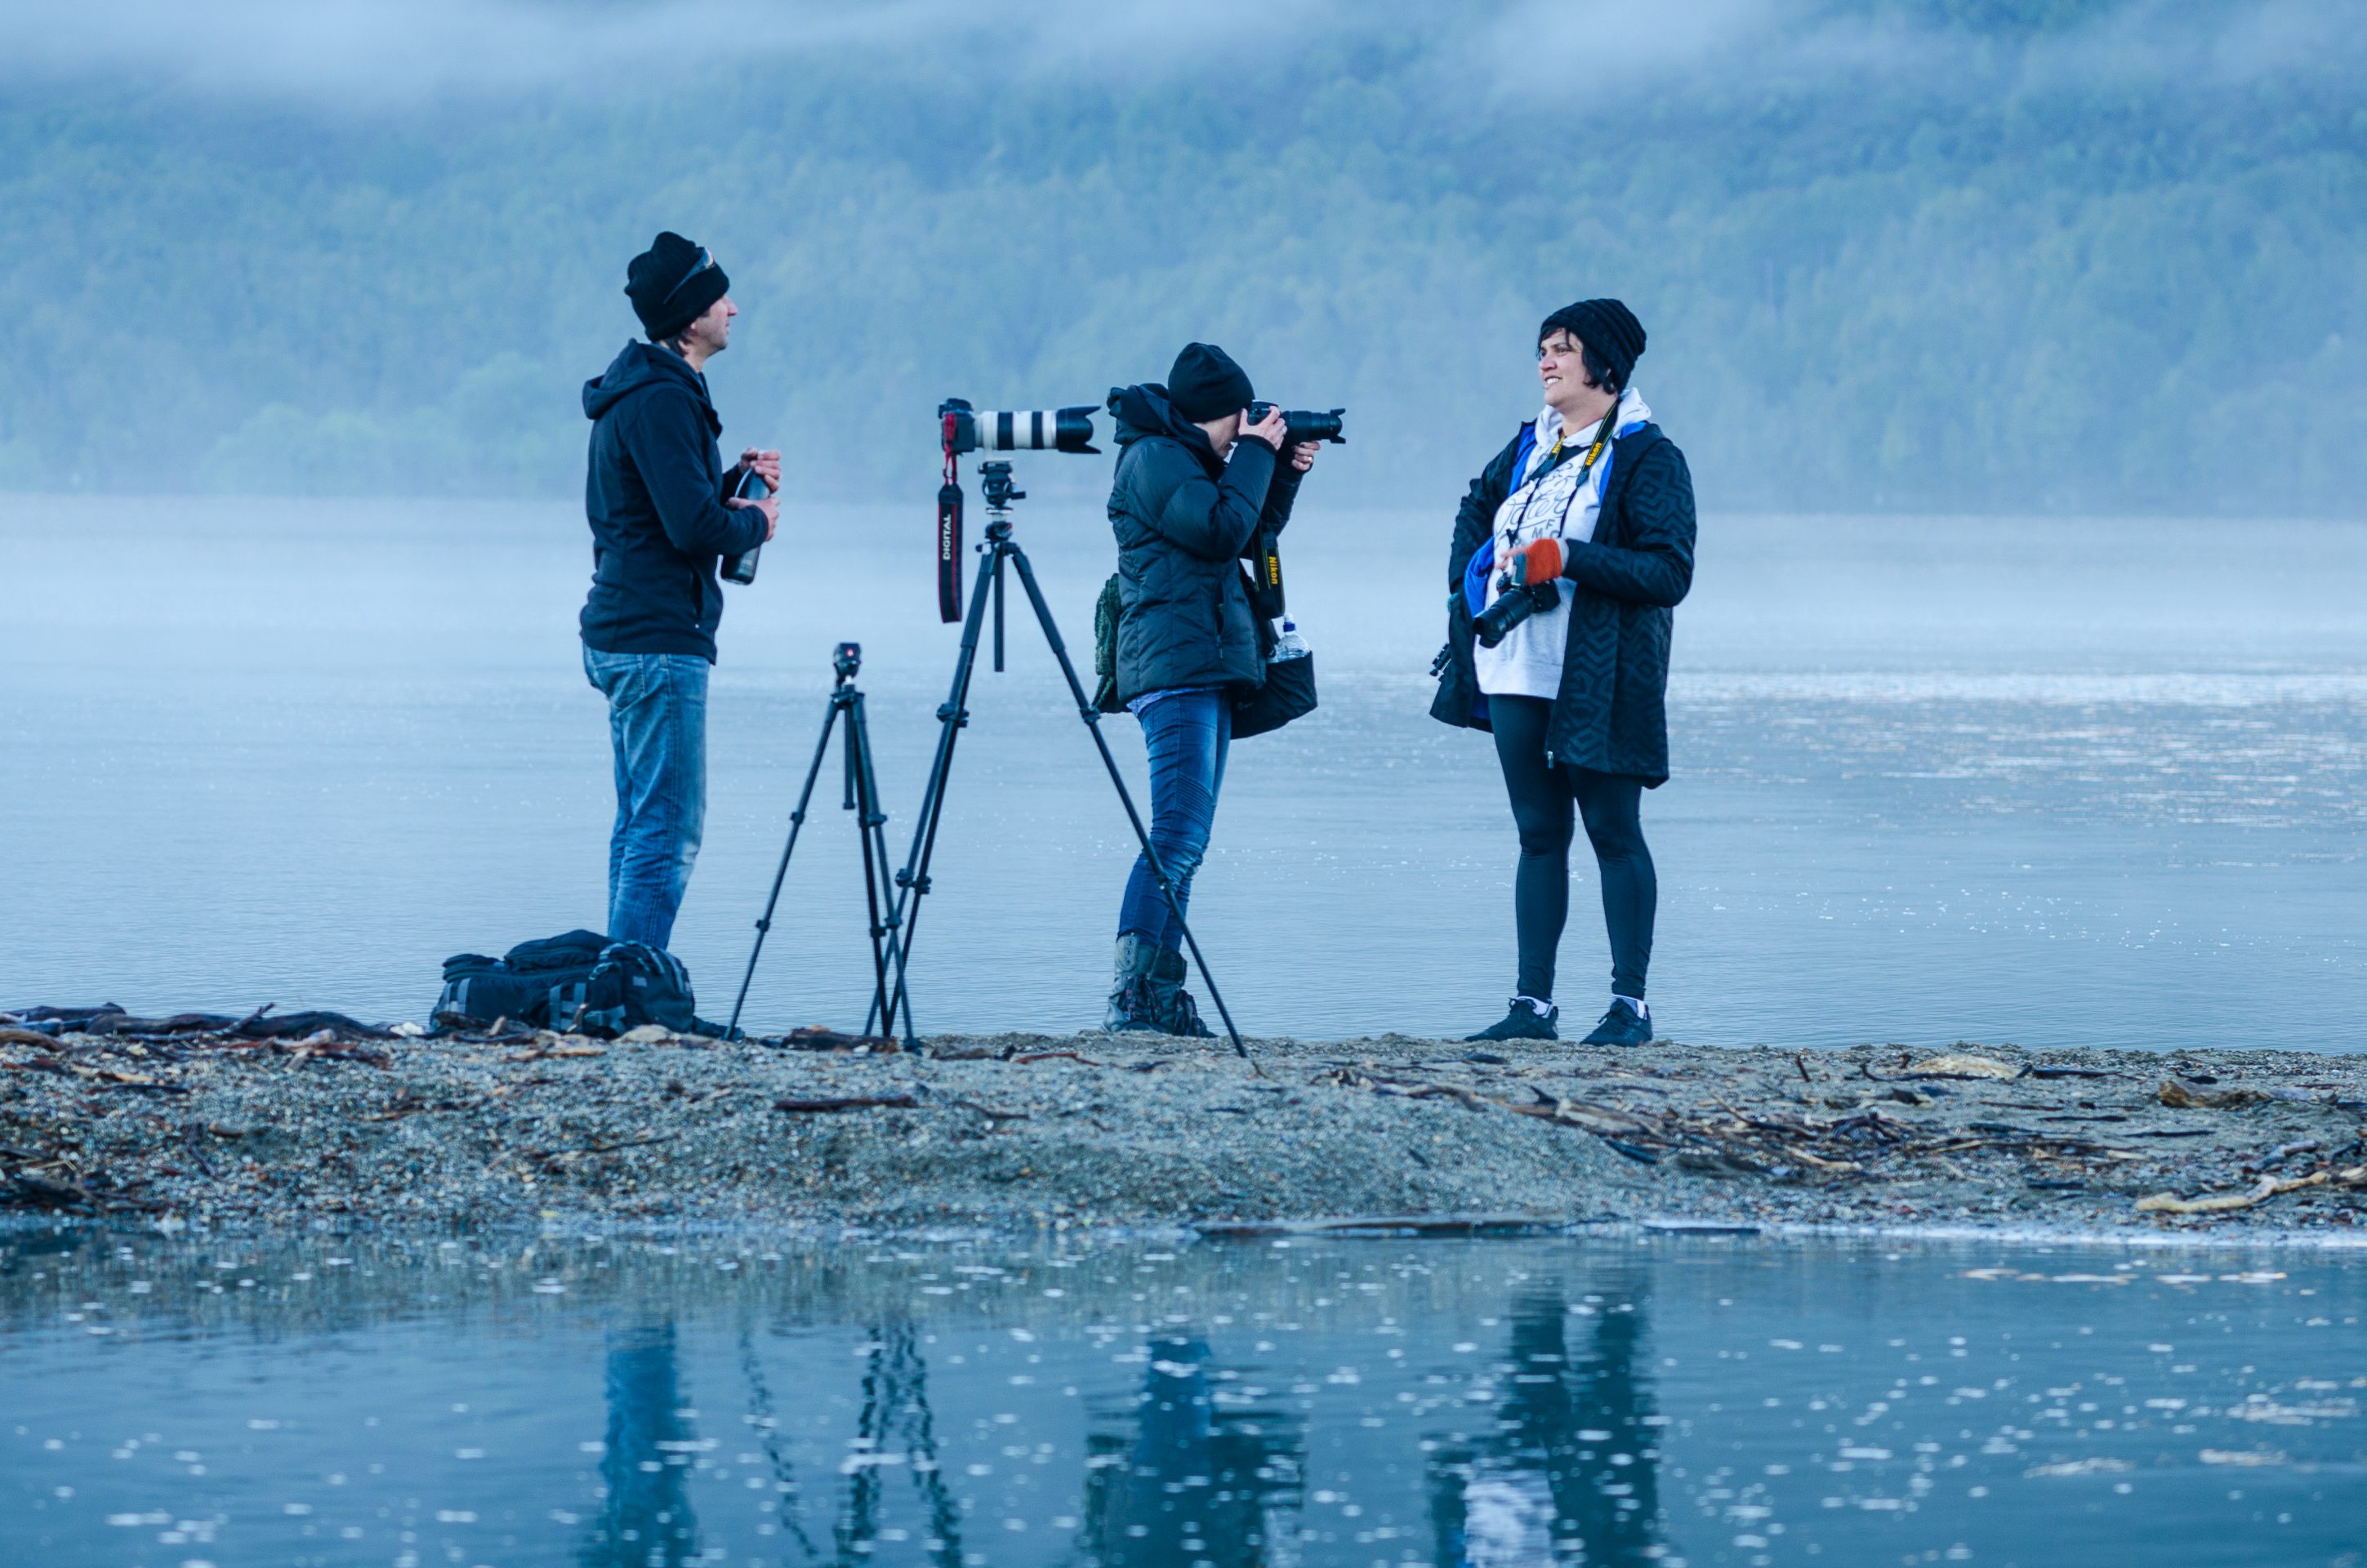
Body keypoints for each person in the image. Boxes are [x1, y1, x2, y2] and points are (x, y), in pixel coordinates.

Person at [1431, 300, 1696, 1046]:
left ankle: (1629, 1009)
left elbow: (1670, 571)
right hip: (1514, 666)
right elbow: (1472, 508)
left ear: (1604, 365)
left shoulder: (1648, 456)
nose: (1545, 362)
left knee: (1614, 832)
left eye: (1562, 349)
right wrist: (1468, 585)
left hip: (1600, 673)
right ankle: (1532, 1009)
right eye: (1542, 348)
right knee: (1538, 834)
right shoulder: (1528, 446)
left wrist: (1569, 559)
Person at [1102, 343, 1317, 1035]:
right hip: (1175, 670)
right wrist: (1256, 452)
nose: (1242, 429)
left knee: (1186, 842)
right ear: (1215, 413)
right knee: (1175, 836)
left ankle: (1160, 998)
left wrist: (1278, 473)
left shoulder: (1185, 459)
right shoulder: (1154, 458)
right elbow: (1221, 531)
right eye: (1238, 418)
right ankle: (1133, 1000)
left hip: (1203, 664)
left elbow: (1250, 532)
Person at [579, 230, 780, 951]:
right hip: (656, 642)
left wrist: (730, 489)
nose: (733, 307)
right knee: (667, 832)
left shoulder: (646, 391)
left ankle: (623, 978)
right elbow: (694, 530)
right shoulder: (661, 399)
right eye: (719, 295)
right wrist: (755, 519)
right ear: (688, 316)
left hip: (631, 632)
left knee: (640, 826)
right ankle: (634, 985)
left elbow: (667, 509)